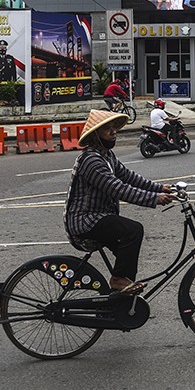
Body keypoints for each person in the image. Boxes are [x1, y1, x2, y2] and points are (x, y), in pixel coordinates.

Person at [64, 110, 175, 293]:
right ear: (95, 135)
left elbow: (128, 177)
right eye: (106, 129)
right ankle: (118, 281)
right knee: (133, 230)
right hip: (86, 220)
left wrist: (159, 188)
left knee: (128, 253)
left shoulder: (106, 156)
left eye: (113, 128)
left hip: (100, 216)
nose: (113, 131)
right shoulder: (91, 160)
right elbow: (119, 188)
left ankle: (120, 298)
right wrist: (154, 199)